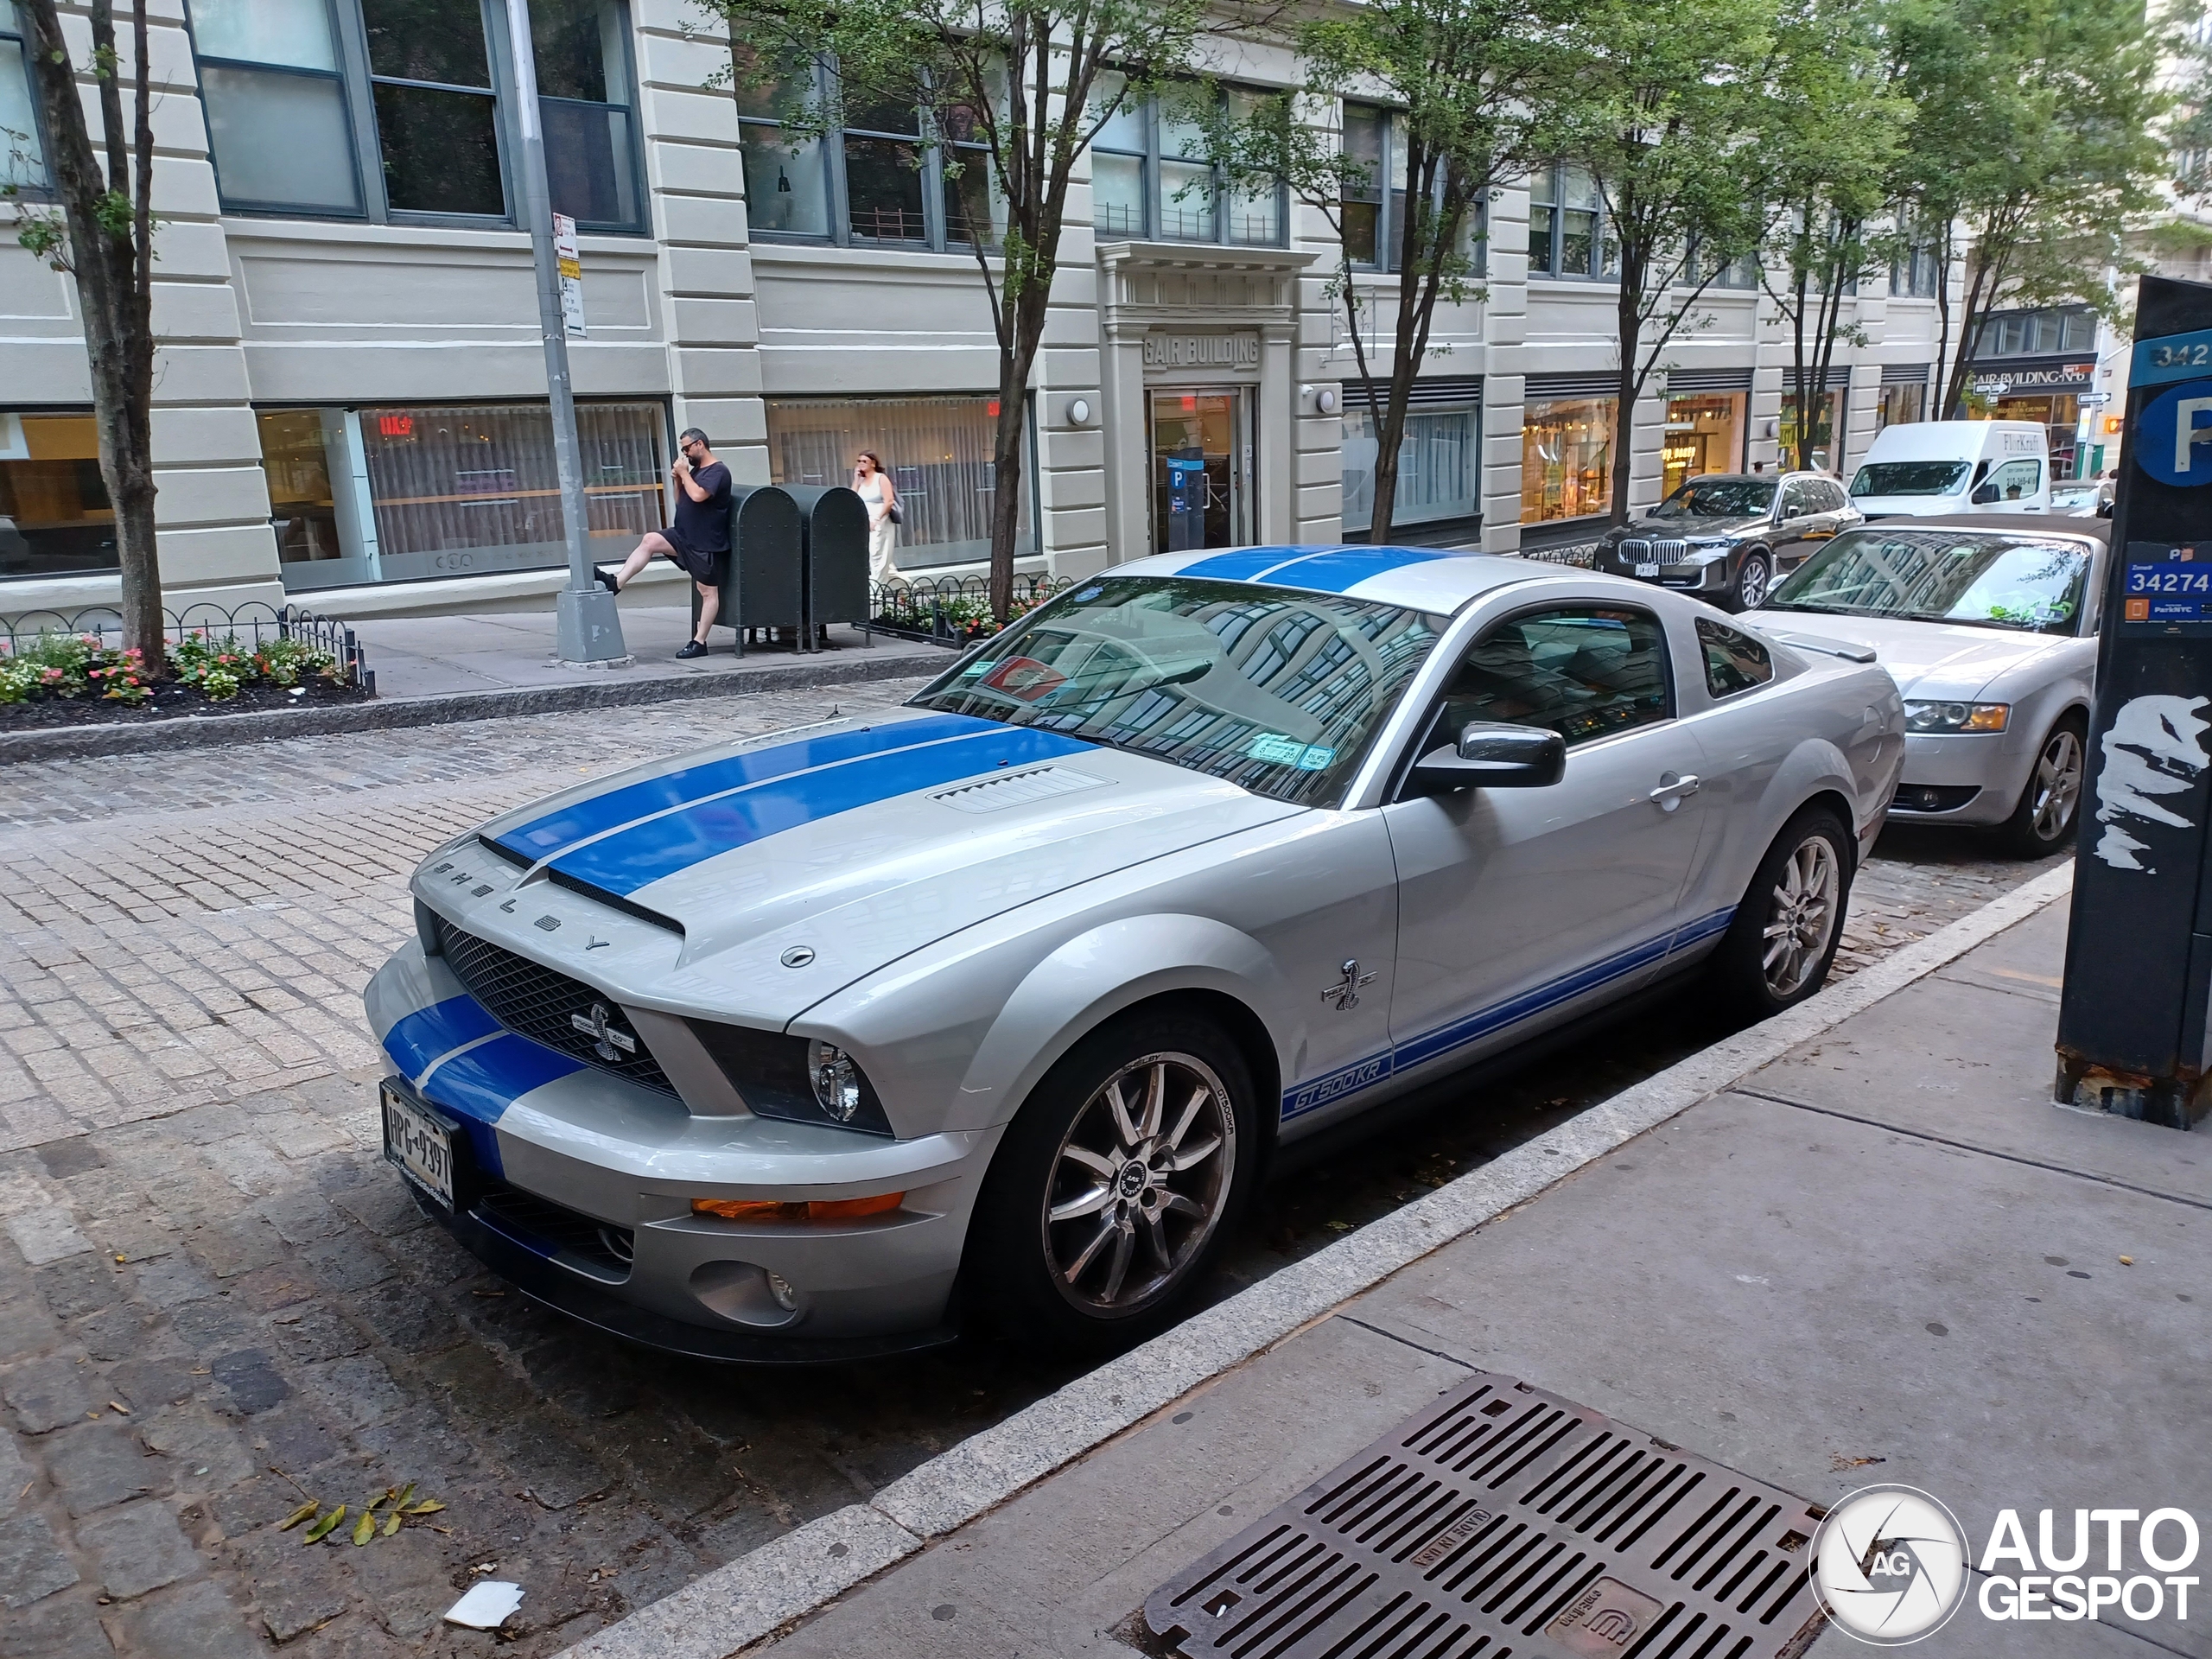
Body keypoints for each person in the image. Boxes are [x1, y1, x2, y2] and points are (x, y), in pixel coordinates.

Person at [595, 428, 732, 659]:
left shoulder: (718, 471)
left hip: (705, 542)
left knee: (707, 592)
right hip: (683, 534)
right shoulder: (696, 471)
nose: (685, 453)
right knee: (650, 540)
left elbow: (699, 496)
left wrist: (685, 474)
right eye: (683, 449)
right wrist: (679, 480)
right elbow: (683, 501)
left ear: (700, 445)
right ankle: (615, 583)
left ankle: (699, 642)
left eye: (687, 448)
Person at [854, 451, 899, 586]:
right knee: (875, 557)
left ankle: (877, 592)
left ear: (873, 463)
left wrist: (878, 520)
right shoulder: (861, 481)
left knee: (877, 555)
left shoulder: (881, 478)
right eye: (859, 461)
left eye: (864, 461)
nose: (861, 464)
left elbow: (889, 501)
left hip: (879, 521)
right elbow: (853, 497)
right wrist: (856, 480)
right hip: (865, 521)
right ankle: (905, 588)